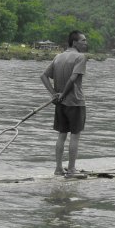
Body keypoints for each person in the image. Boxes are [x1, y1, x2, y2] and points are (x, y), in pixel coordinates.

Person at [40, 30, 89, 177]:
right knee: (75, 136)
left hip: (60, 104)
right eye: (83, 40)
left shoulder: (58, 57)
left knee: (62, 135)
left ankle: (58, 168)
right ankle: (72, 169)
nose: (85, 43)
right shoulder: (80, 57)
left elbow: (43, 76)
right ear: (74, 42)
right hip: (75, 102)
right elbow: (73, 78)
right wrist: (62, 94)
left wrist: (55, 95)